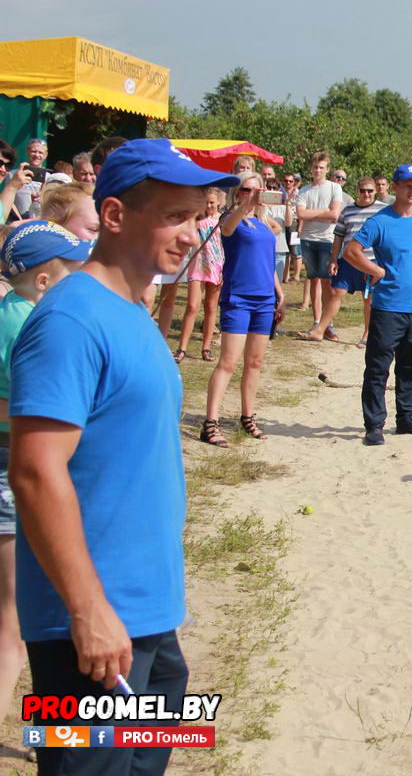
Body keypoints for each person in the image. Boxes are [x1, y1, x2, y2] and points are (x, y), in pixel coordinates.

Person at [8, 139, 240, 775]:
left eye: (198, 215)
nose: (192, 231)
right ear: (113, 216)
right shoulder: (71, 320)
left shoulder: (132, 307)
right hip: (89, 627)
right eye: (175, 215)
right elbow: (33, 471)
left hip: (148, 613)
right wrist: (87, 610)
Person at [0, 223, 91, 733]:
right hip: (16, 470)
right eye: (72, 269)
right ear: (42, 280)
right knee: (17, 629)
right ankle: (57, 732)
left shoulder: (12, 313)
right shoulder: (32, 324)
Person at [344, 163, 412, 445]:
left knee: (409, 365)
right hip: (387, 307)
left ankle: (407, 419)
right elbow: (352, 251)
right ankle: (374, 425)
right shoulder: (379, 221)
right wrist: (376, 271)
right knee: (377, 368)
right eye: (407, 185)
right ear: (395, 187)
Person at [200, 173, 284, 447]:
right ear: (238, 192)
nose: (252, 193)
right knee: (228, 361)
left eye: (257, 189)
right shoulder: (231, 219)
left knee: (255, 362)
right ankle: (210, 422)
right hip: (238, 297)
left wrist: (278, 291)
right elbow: (226, 229)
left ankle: (248, 416)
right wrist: (246, 206)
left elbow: (268, 262)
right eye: (246, 189)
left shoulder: (264, 224)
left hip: (263, 299)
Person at [297, 177, 382, 346]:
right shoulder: (347, 210)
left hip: (371, 261)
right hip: (348, 260)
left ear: (375, 191)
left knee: (369, 299)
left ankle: (367, 335)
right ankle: (319, 330)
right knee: (336, 293)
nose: (366, 194)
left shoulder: (383, 210)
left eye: (370, 191)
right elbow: (339, 237)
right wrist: (334, 260)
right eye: (363, 190)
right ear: (357, 191)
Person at [173, 188, 226, 363]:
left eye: (212, 202)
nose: (209, 206)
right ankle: (182, 347)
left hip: (216, 266)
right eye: (206, 202)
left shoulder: (223, 219)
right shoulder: (197, 219)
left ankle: (206, 347)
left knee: (211, 307)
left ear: (218, 202)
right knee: (192, 306)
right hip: (197, 266)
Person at [296, 152, 345, 333]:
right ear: (311, 168)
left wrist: (312, 213)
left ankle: (327, 323)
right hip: (308, 239)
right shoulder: (304, 190)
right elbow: (300, 214)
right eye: (315, 167)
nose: (318, 170)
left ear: (327, 169)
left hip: (328, 239)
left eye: (321, 167)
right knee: (313, 280)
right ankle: (316, 321)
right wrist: (323, 212)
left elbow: (334, 214)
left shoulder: (334, 188)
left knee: (327, 282)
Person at [282, 171, 305, 283]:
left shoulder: (298, 194)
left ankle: (296, 276)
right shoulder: (279, 192)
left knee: (295, 250)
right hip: (282, 222)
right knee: (285, 251)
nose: (288, 183)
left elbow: (301, 211)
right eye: (286, 181)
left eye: (290, 181)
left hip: (295, 224)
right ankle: (285, 276)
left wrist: (300, 226)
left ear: (294, 182)